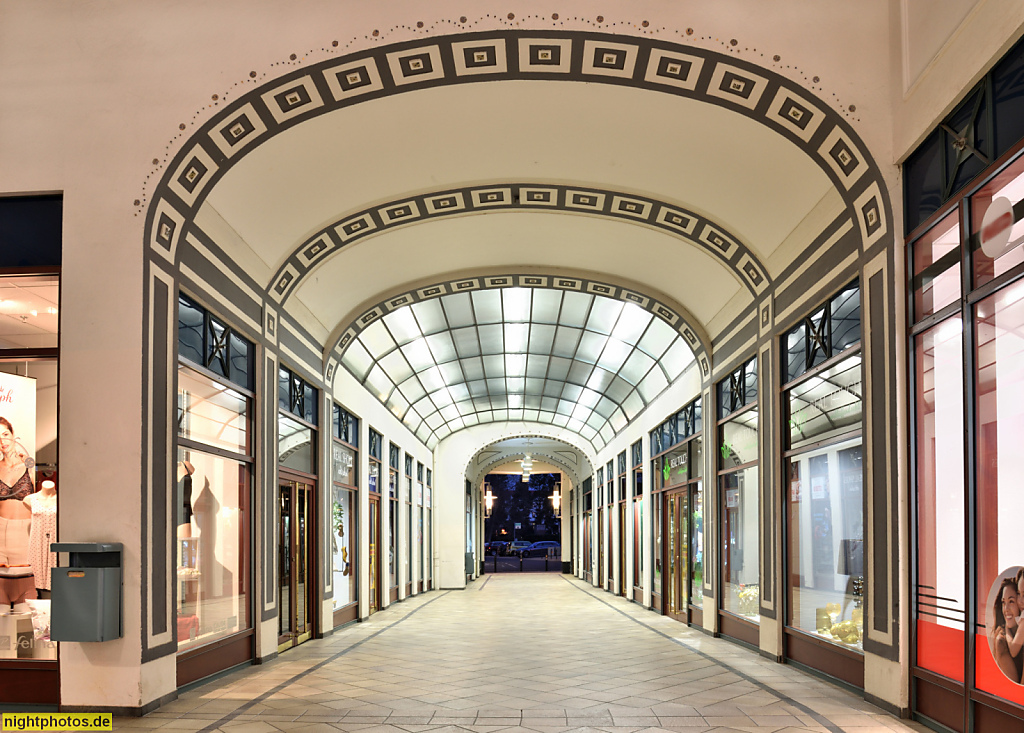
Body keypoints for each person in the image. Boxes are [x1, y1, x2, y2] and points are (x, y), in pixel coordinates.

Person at [989, 577, 1024, 684]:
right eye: (1004, 602)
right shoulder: (1001, 641)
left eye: (1011, 601)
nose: (1006, 609)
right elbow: (1013, 688)